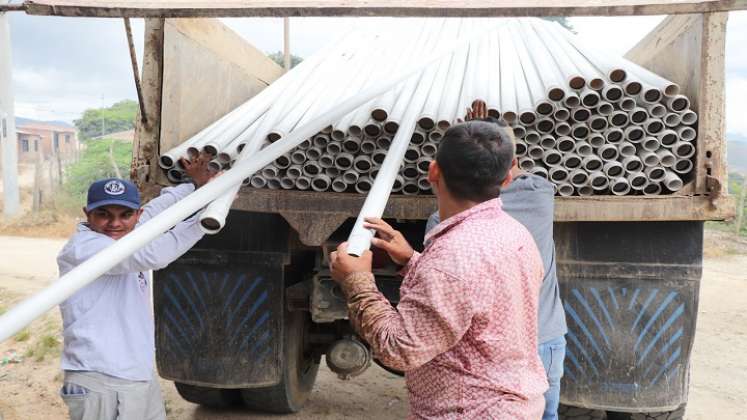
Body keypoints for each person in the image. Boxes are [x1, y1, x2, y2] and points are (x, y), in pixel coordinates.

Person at [329, 120, 548, 419]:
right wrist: (412, 260)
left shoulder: (452, 259)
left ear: (433, 171)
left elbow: (399, 349)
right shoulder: (515, 234)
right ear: (509, 175)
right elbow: (474, 297)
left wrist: (356, 281)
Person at [425, 100, 568, 420]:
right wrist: (491, 137)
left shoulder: (442, 224)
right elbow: (515, 168)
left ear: (436, 172)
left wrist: (467, 140)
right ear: (507, 171)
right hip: (545, 341)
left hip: (490, 356)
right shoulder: (539, 195)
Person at [57, 154, 217, 420]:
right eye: (103, 214)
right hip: (102, 378)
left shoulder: (127, 233)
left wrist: (195, 185)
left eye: (125, 214)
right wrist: (205, 219)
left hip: (135, 377)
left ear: (137, 215)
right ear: (87, 214)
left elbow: (159, 209)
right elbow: (154, 255)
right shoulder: (86, 247)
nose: (115, 223)